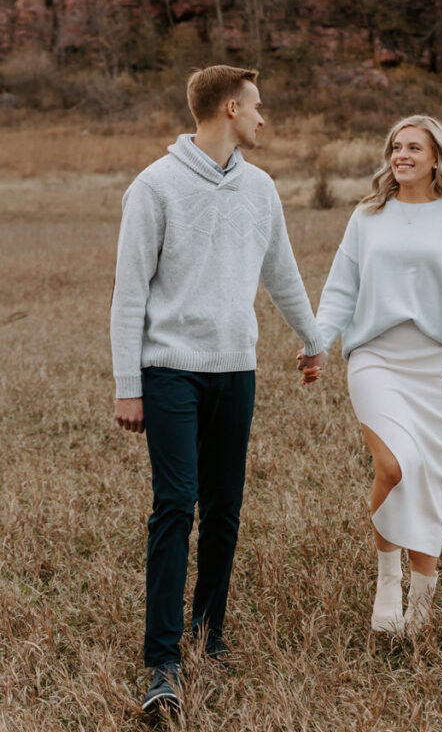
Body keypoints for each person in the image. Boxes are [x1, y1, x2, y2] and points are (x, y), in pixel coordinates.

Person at [111, 65, 325, 714]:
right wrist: (128, 386)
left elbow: (282, 272)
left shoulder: (261, 190)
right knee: (175, 504)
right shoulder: (154, 187)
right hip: (169, 368)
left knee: (224, 511)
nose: (264, 119)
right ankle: (163, 663)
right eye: (258, 107)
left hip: (236, 368)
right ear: (230, 108)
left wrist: (312, 339)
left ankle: (209, 636)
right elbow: (129, 294)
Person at [308, 115, 442, 635]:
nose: (401, 155)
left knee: (429, 479)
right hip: (375, 357)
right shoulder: (368, 215)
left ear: (436, 158)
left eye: (414, 147)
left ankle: (422, 607)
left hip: (437, 367)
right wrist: (318, 342)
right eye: (395, 147)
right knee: (392, 465)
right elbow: (341, 287)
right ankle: (388, 577)